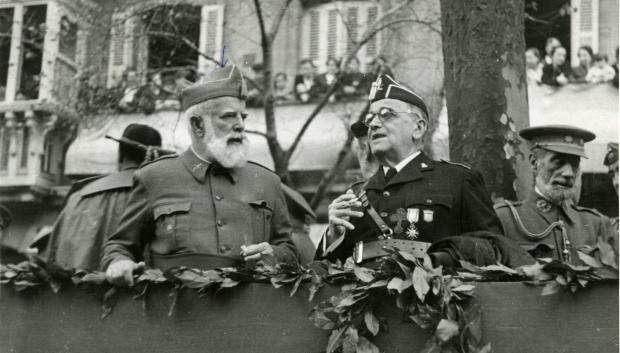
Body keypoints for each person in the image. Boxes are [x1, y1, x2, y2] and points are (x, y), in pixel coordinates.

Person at [102, 65, 298, 286]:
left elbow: (290, 250)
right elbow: (120, 246)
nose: (241, 126)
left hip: (250, 316)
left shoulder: (267, 182)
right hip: (175, 316)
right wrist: (119, 262)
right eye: (228, 117)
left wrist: (273, 254)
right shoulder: (154, 177)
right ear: (197, 125)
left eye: (243, 117)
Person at [318, 74, 533, 267]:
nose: (373, 124)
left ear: (418, 128)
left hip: (436, 305)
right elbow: (326, 274)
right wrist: (333, 235)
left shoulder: (457, 180)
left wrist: (440, 260)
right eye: (370, 118)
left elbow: (492, 249)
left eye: (385, 114)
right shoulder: (356, 195)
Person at [42, 124, 164, 271]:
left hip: (78, 292)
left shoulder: (77, 196)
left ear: (120, 155)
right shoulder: (162, 199)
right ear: (157, 159)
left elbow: (50, 263)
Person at [495, 125, 618, 263]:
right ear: (534, 163)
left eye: (574, 164)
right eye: (558, 162)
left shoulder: (597, 224)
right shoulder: (505, 220)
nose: (569, 173)